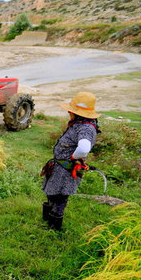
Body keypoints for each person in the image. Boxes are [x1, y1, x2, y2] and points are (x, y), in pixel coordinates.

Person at [41, 92, 101, 231]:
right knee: (52, 192)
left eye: (71, 109)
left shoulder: (85, 128)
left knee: (61, 196)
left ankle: (54, 228)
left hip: (66, 170)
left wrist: (74, 157)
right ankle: (48, 218)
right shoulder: (79, 124)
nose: (69, 112)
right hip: (59, 167)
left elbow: (84, 148)